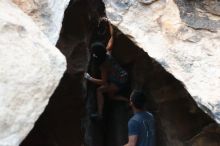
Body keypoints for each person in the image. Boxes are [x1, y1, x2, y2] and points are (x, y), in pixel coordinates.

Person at [84, 42, 129, 118]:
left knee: (99, 90)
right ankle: (127, 100)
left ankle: (99, 114)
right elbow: (110, 44)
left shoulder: (103, 66)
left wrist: (89, 78)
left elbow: (103, 81)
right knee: (111, 97)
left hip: (119, 82)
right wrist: (112, 34)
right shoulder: (108, 53)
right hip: (123, 75)